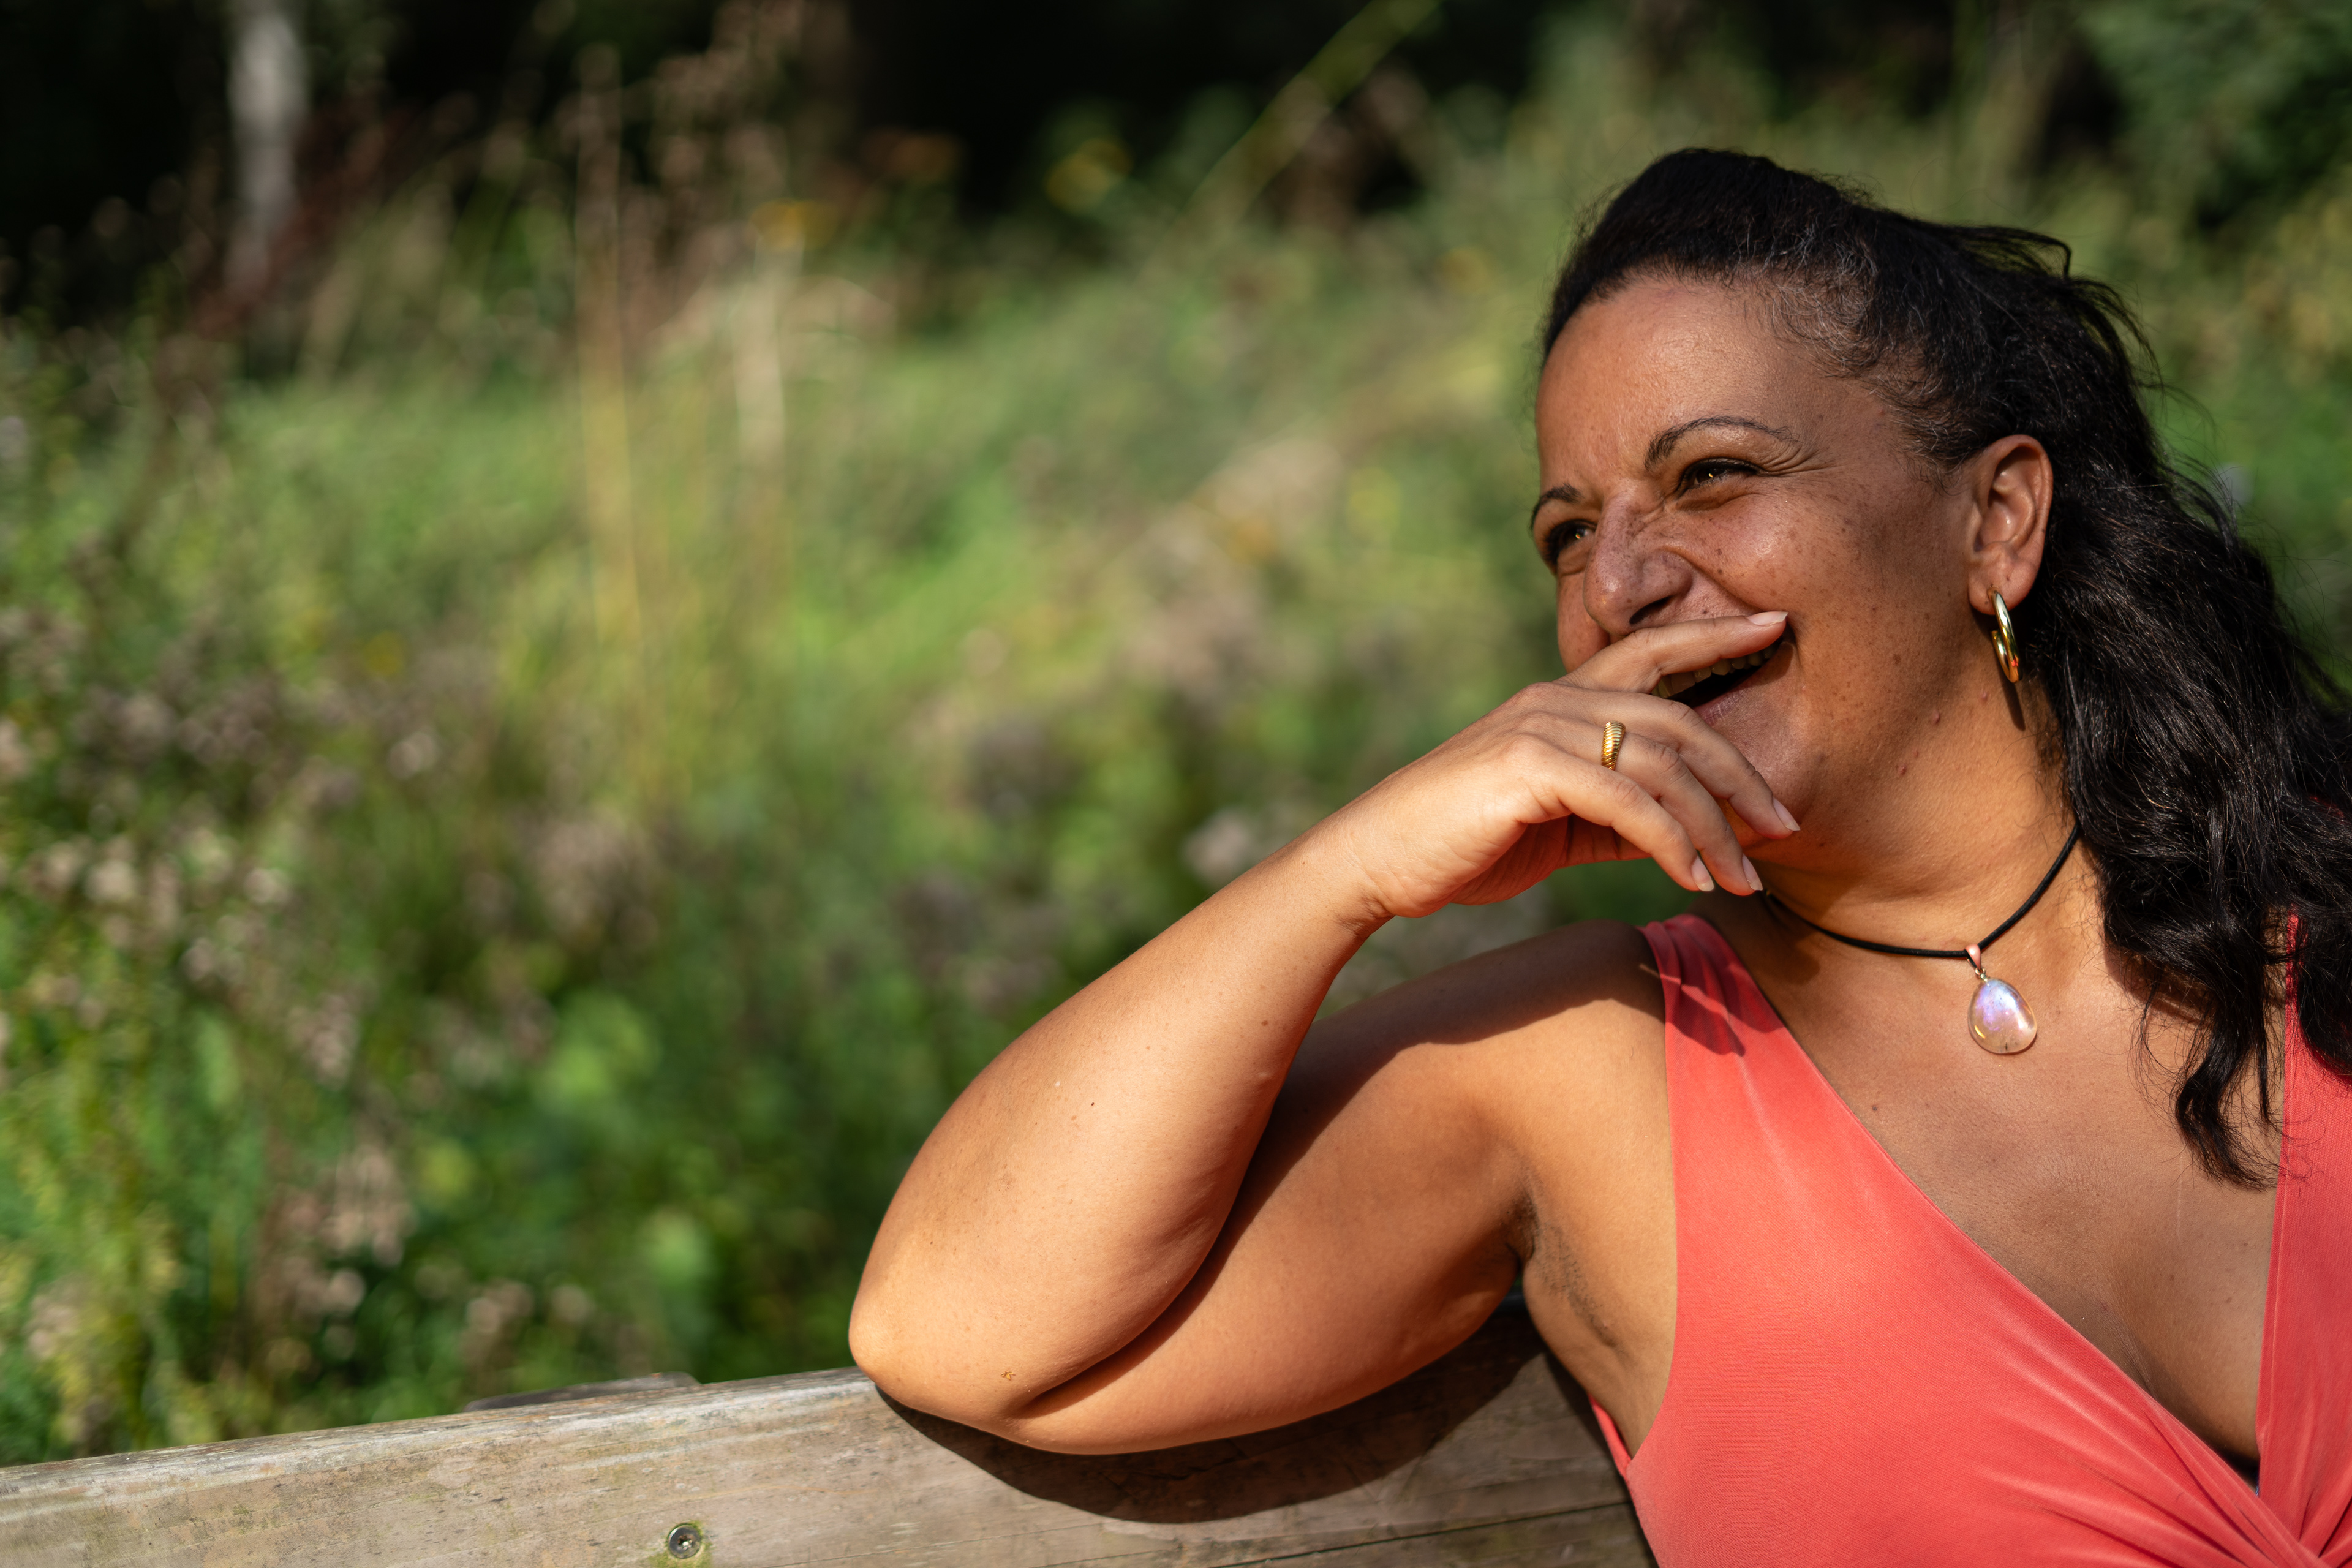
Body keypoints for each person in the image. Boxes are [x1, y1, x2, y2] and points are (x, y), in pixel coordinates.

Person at [848, 149, 2352, 1565]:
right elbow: (960, 1320)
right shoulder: (1584, 1069)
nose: (1622, 582)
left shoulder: (2323, 900)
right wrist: (1348, 871)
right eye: (1569, 534)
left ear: (1996, 519)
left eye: (1711, 476)